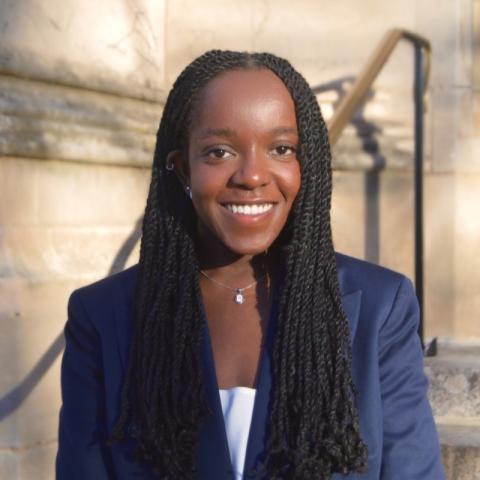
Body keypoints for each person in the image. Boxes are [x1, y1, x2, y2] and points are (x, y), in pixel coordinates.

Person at [56, 50, 445, 480]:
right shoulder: (103, 318)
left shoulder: (378, 308)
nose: (253, 175)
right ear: (183, 169)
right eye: (220, 152)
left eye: (281, 148)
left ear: (305, 164)